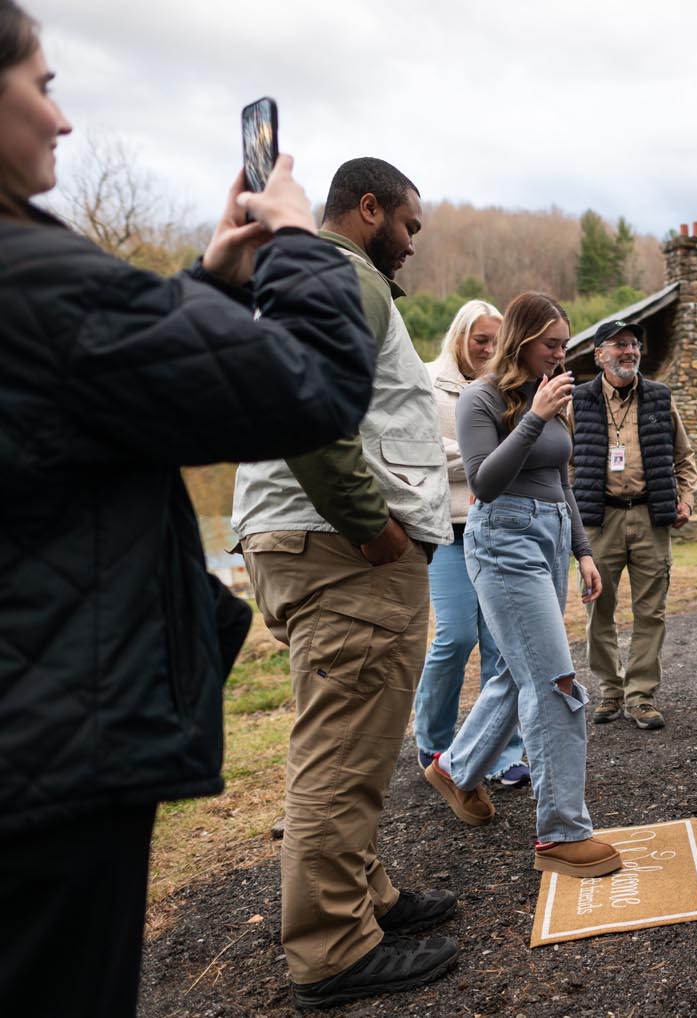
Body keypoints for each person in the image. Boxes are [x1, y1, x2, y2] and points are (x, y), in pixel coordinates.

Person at [0, 4, 381, 1014]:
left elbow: (105, 385)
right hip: (47, 769)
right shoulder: (36, 281)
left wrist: (212, 281)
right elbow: (311, 386)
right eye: (42, 86)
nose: (64, 121)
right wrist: (299, 242)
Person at [232, 157, 459, 1007]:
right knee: (339, 751)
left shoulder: (321, 277)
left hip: (307, 540)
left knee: (349, 734)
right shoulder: (340, 274)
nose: (410, 243)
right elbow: (310, 407)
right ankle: (331, 948)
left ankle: (365, 896)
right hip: (340, 547)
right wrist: (375, 530)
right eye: (407, 225)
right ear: (368, 209)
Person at [422, 292, 623, 880]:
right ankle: (561, 833)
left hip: (550, 540)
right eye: (550, 345)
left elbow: (561, 478)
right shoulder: (479, 399)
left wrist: (583, 552)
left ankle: (455, 769)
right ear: (520, 340)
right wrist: (535, 414)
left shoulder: (554, 390)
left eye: (565, 345)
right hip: (502, 541)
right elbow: (484, 480)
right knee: (555, 679)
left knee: (519, 669)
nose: (560, 356)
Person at [415, 299, 530, 787]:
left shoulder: (504, 387)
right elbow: (424, 455)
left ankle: (502, 753)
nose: (486, 350)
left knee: (501, 645)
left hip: (496, 525)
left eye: (494, 342)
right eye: (479, 340)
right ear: (459, 335)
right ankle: (434, 742)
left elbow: (519, 453)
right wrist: (487, 455)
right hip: (447, 531)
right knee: (456, 636)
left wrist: (489, 457)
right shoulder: (425, 381)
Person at [571, 320, 697, 731]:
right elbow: (564, 463)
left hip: (650, 517)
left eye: (634, 344)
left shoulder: (661, 398)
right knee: (598, 610)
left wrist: (686, 500)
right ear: (599, 354)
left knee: (652, 613)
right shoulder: (578, 402)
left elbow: (685, 459)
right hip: (599, 520)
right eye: (619, 345)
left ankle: (640, 695)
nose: (629, 351)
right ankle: (610, 690)